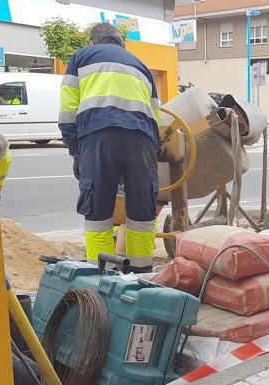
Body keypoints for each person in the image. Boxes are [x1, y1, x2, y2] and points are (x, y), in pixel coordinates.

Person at [58, 23, 161, 271]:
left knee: (98, 210)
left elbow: (68, 112)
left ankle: (99, 272)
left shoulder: (81, 57)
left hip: (98, 136)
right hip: (142, 139)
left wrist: (76, 151)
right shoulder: (141, 65)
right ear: (120, 43)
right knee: (142, 210)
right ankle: (141, 273)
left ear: (94, 42)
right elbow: (156, 116)